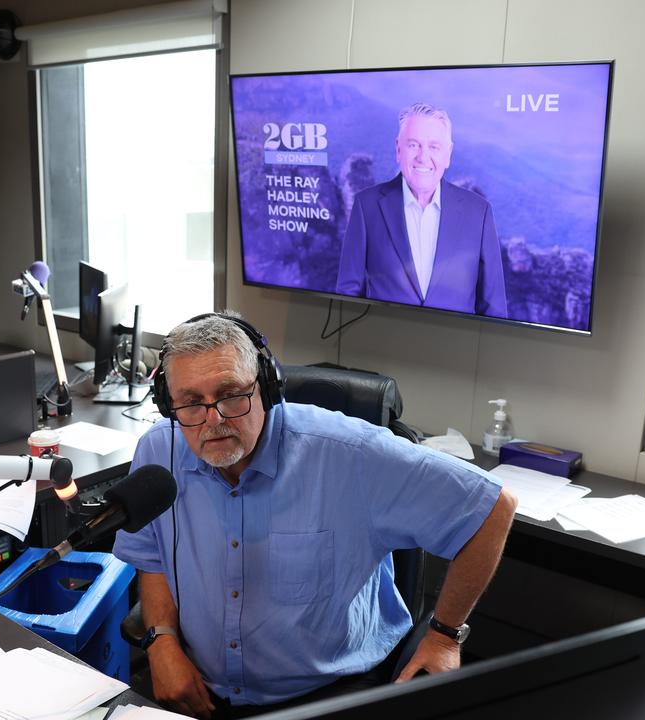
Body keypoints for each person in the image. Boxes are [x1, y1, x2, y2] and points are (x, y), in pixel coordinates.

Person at [113, 312, 517, 719]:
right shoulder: (158, 452)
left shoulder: (352, 455)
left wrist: (445, 636)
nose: (213, 420)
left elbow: (493, 508)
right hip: (201, 691)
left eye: (231, 394)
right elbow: (152, 558)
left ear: (266, 387)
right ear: (169, 404)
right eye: (191, 403)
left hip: (333, 692)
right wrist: (161, 641)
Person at [335, 103, 508, 317]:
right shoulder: (366, 206)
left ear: (448, 154)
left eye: (434, 147)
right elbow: (347, 295)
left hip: (456, 349)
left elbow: (494, 307)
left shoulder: (479, 212)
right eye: (413, 145)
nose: (423, 157)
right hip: (381, 346)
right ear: (398, 149)